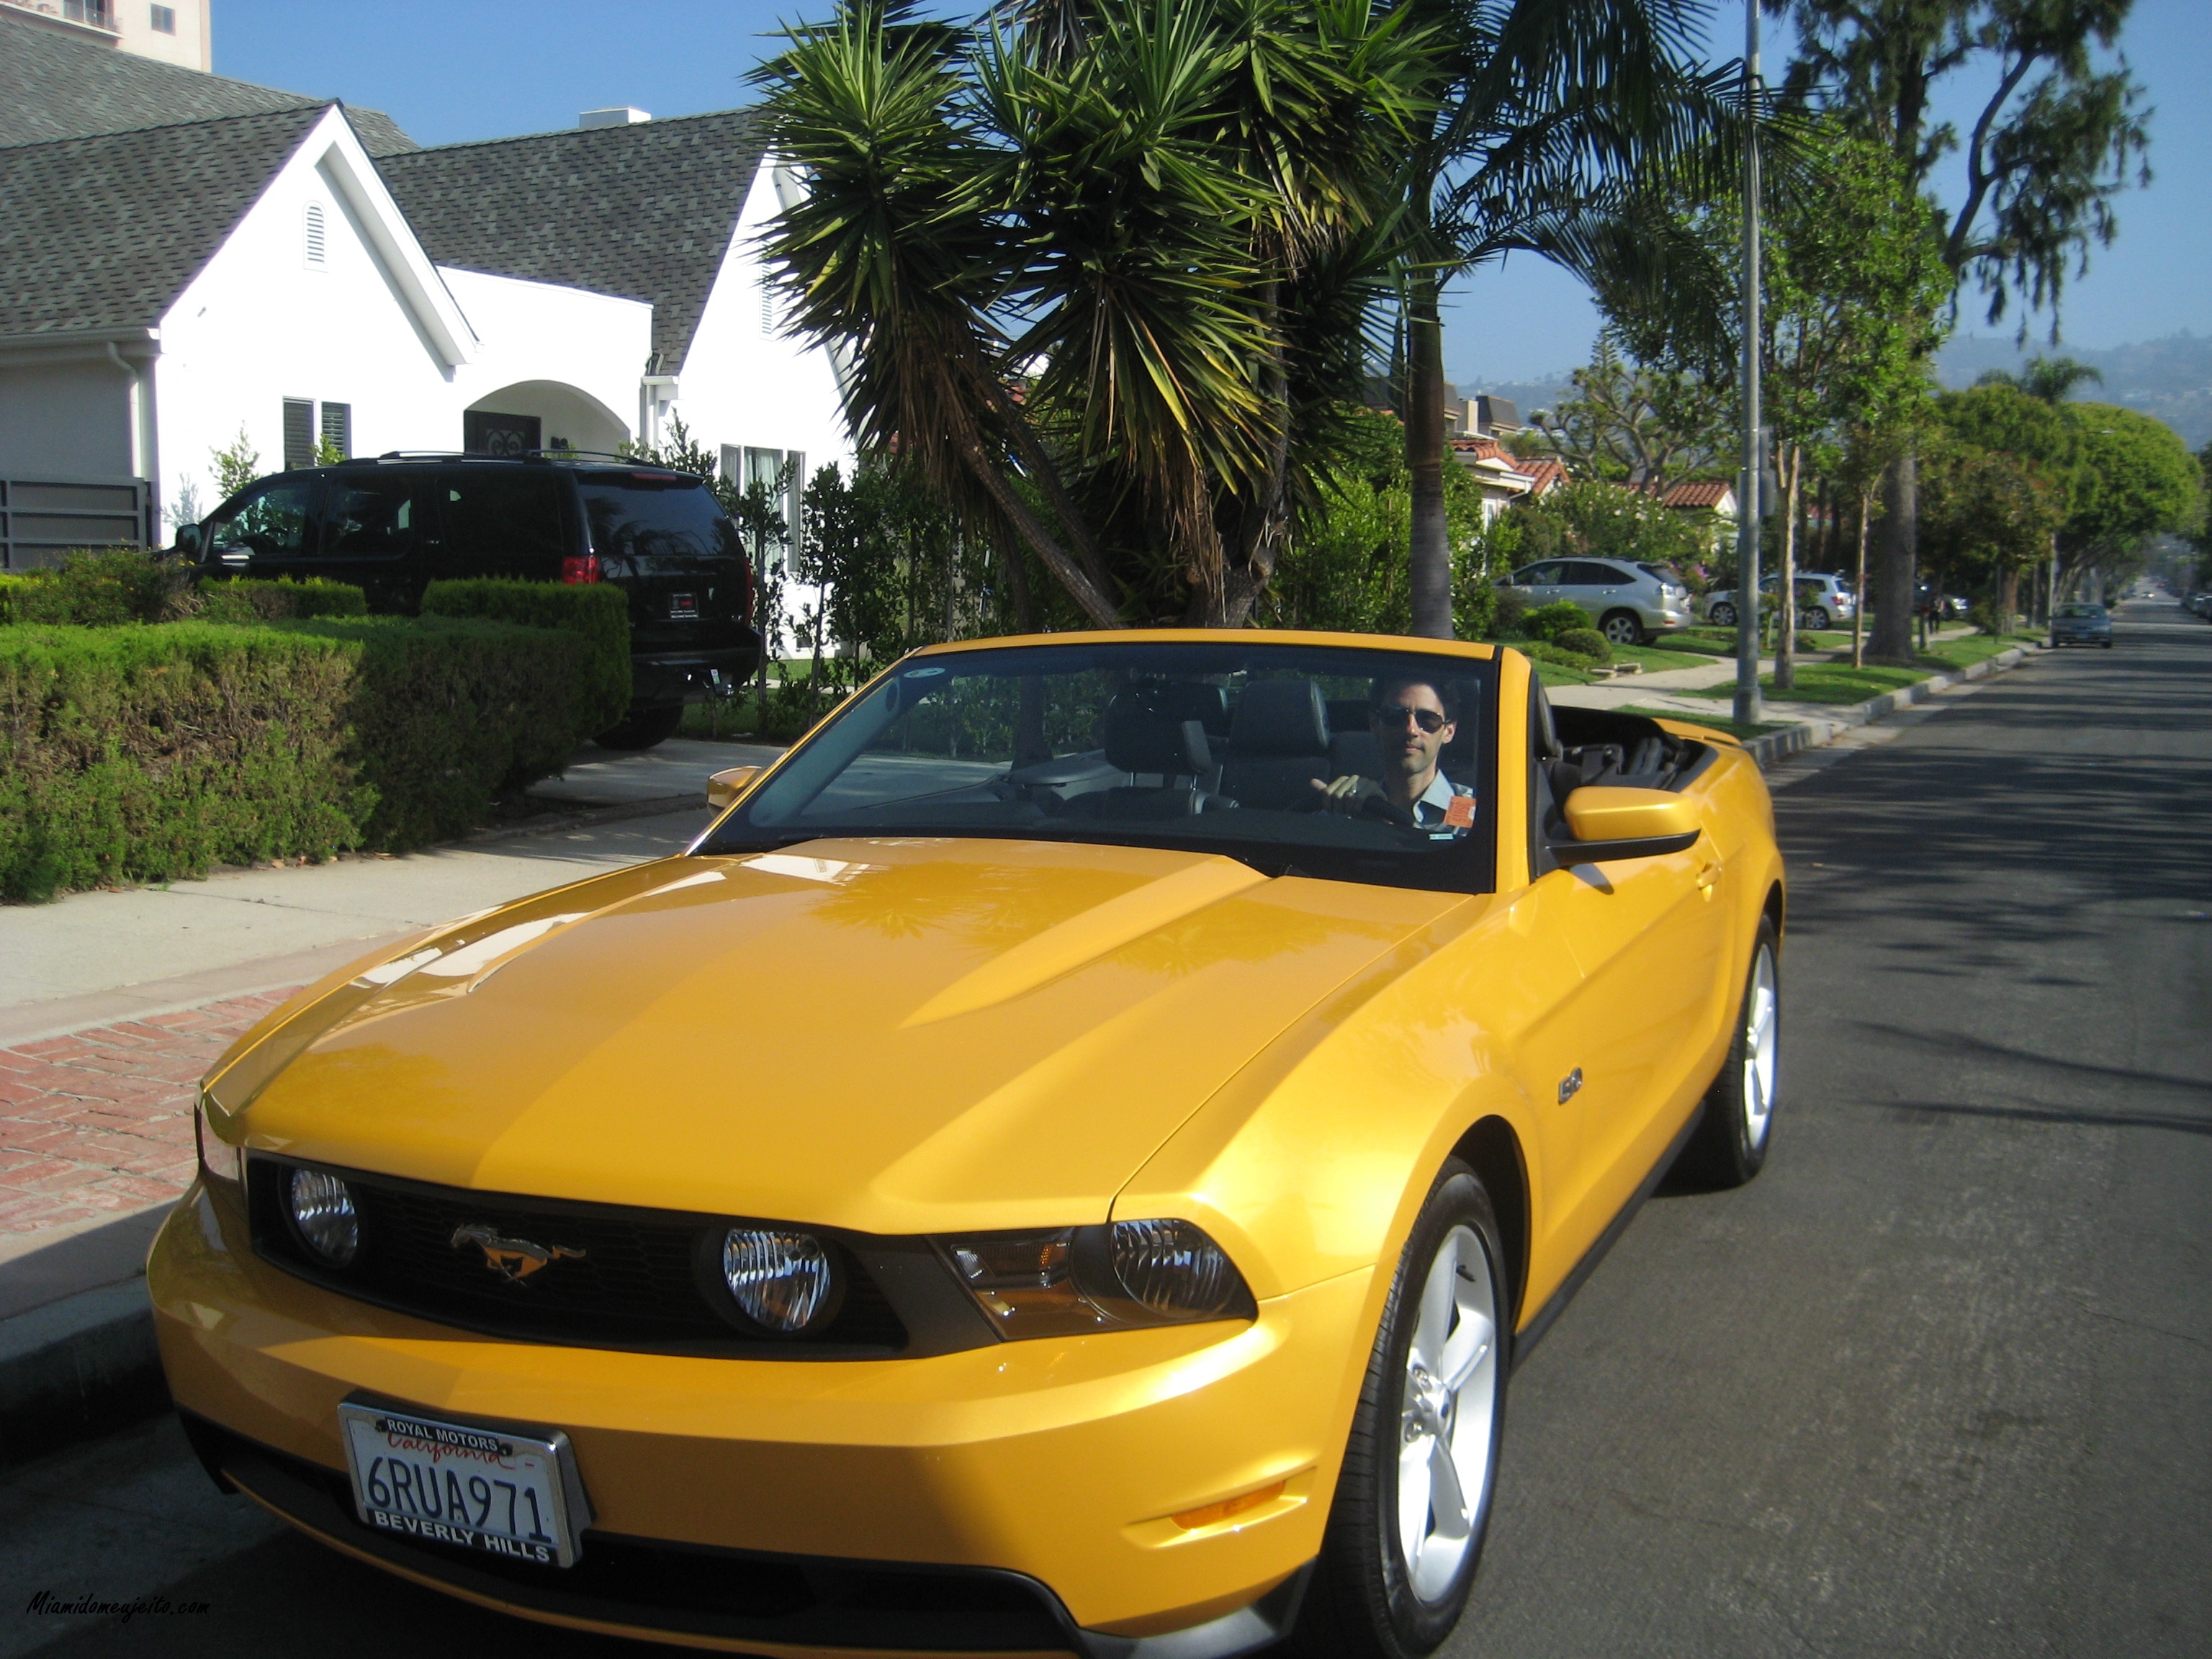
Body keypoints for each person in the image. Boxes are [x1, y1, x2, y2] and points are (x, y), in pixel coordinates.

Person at [1310, 675, 1475, 835]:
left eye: (1428, 720)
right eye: (1395, 716)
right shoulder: (1342, 810)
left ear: (1449, 731)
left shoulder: (1479, 814)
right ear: (1374, 724)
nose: (1411, 730)